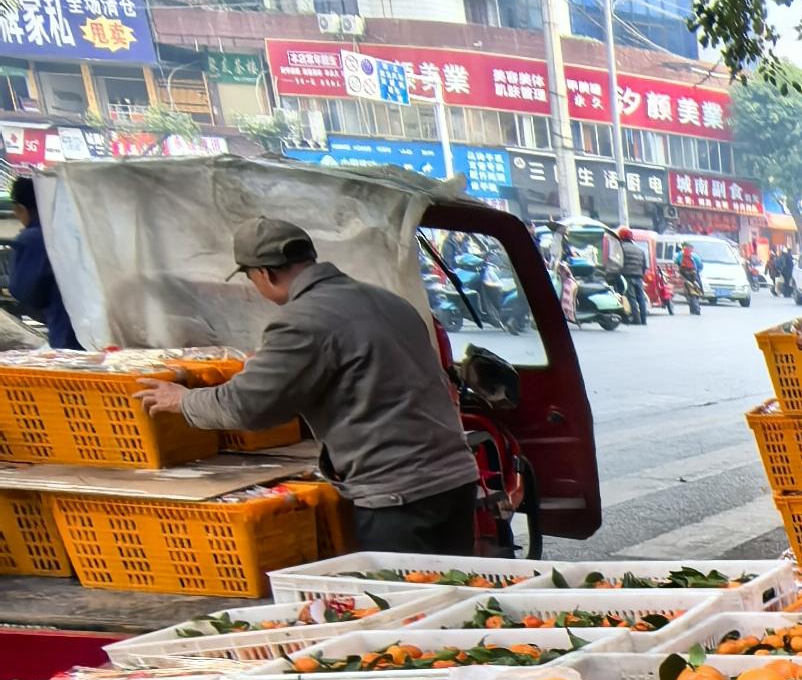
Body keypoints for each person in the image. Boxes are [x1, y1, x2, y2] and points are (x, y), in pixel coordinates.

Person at [140, 217, 483, 554]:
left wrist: (183, 400)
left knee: (407, 589)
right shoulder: (388, 301)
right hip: (454, 476)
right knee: (454, 584)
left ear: (265, 274)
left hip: (398, 491)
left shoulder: (303, 320)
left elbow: (247, 405)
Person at [5, 176, 73, 349]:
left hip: (65, 332)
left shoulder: (33, 238)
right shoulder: (72, 229)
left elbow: (24, 292)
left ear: (20, 209)